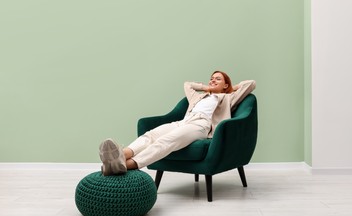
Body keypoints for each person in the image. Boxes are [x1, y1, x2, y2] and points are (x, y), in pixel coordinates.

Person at [99, 71, 256, 176]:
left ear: (226, 84)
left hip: (200, 125)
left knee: (166, 141)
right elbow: (187, 84)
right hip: (183, 122)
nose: (213, 80)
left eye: (218, 79)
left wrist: (228, 89)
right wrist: (208, 88)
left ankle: (125, 166)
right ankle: (119, 156)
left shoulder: (228, 98)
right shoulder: (198, 97)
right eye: (212, 78)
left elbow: (251, 84)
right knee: (150, 135)